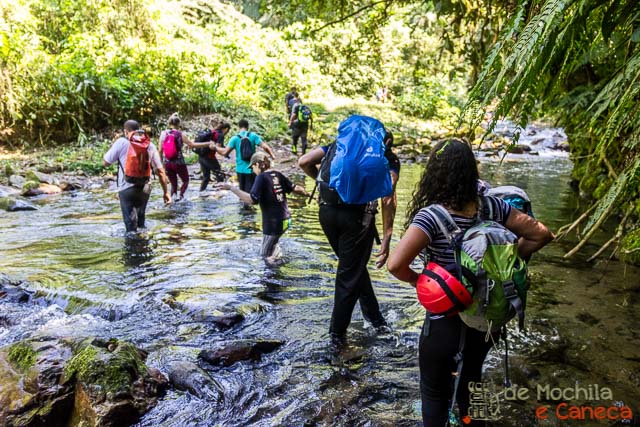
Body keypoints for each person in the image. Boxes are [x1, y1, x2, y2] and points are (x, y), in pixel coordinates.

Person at [386, 139, 554, 427]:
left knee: (434, 394)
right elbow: (542, 234)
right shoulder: (494, 207)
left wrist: (423, 283)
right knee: (472, 385)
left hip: (444, 321)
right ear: (471, 171)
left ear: (434, 173)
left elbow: (395, 265)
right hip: (486, 319)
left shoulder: (431, 216)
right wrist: (509, 263)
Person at [298, 126, 400, 344]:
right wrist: (388, 235)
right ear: (387, 142)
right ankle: (337, 338)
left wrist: (323, 183)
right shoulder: (387, 157)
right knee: (349, 275)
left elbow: (304, 162)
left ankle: (376, 320)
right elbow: (388, 197)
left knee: (353, 267)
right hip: (357, 219)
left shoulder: (338, 146)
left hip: (326, 213)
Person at [219, 152, 308, 261]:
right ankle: (277, 261)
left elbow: (252, 200)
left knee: (265, 256)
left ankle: (272, 275)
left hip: (273, 223)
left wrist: (231, 188)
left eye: (253, 167)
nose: (253, 171)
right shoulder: (277, 174)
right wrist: (309, 195)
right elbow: (295, 188)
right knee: (273, 248)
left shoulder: (261, 177)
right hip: (286, 220)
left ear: (259, 164)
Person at [103, 120, 171, 233]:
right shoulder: (149, 144)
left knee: (130, 228)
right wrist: (166, 192)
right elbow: (160, 171)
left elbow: (106, 162)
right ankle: (144, 246)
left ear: (126, 131)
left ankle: (133, 247)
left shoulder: (121, 142)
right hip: (145, 188)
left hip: (126, 188)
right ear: (139, 130)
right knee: (141, 222)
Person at [158, 113, 213, 201]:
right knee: (185, 181)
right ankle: (181, 197)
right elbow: (192, 144)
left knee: (173, 184)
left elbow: (160, 150)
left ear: (169, 123)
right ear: (179, 124)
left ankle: (172, 201)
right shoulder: (180, 134)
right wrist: (208, 143)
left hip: (167, 162)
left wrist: (162, 164)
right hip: (179, 162)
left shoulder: (163, 134)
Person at [213, 119, 275, 194]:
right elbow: (265, 147)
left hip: (240, 170)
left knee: (242, 193)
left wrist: (215, 148)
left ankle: (243, 205)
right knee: (251, 193)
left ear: (239, 127)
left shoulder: (234, 138)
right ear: (247, 126)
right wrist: (272, 156)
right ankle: (249, 205)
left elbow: (225, 153)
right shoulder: (253, 136)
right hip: (252, 169)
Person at [197, 121, 231, 192]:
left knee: (206, 177)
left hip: (201, 156)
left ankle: (201, 193)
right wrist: (225, 153)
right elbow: (217, 148)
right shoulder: (220, 135)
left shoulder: (213, 131)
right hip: (209, 158)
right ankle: (220, 194)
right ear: (226, 129)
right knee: (219, 174)